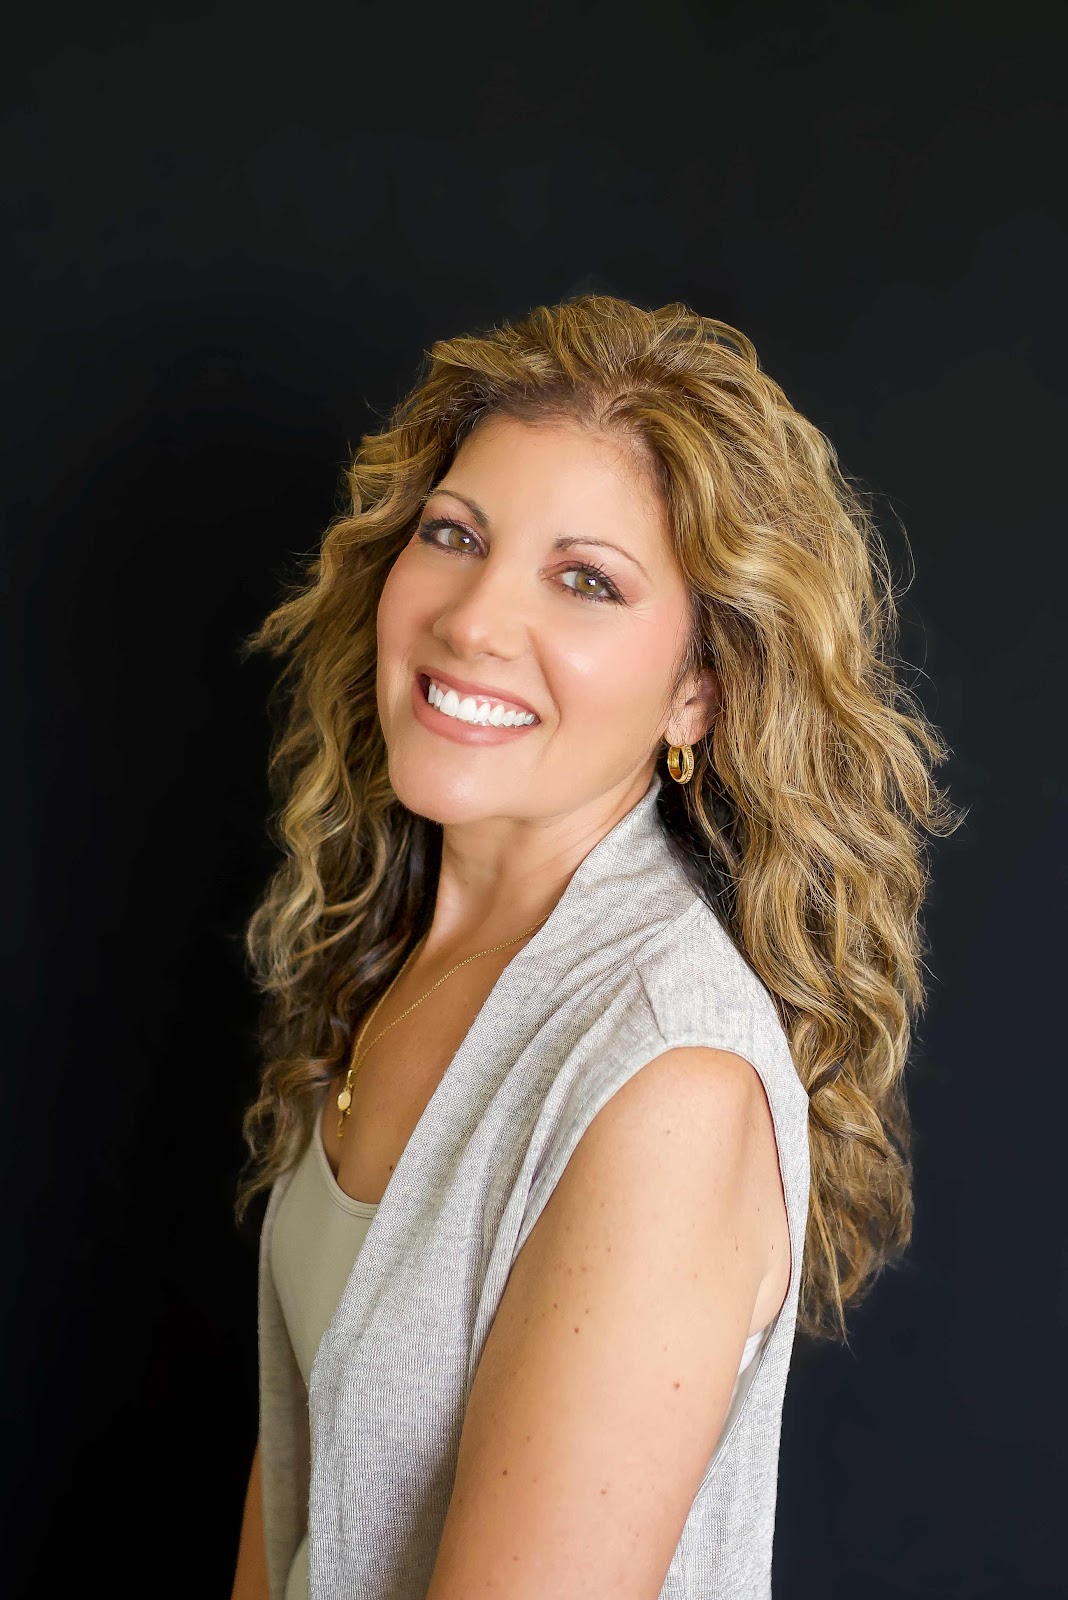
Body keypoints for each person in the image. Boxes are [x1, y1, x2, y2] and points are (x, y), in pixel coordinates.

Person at [229, 294, 961, 1599]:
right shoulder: (397, 948)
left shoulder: (668, 1081)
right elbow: (303, 1493)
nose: (472, 620)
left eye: (586, 580)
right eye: (455, 534)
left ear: (698, 692)